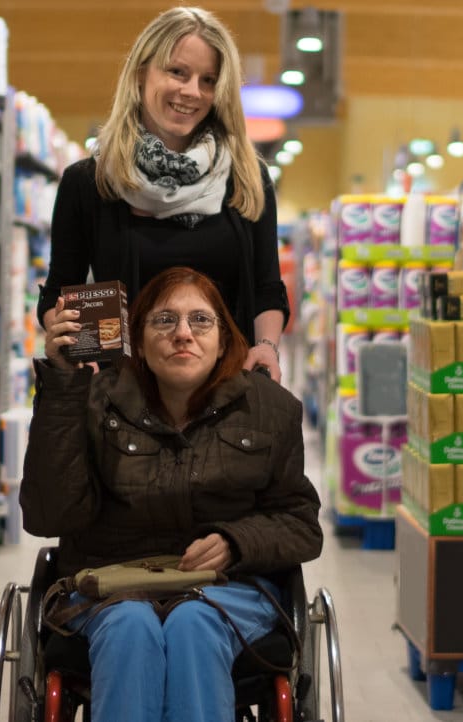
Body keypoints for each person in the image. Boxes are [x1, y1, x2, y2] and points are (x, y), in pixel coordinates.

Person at [23, 266, 322, 722]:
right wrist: (62, 386)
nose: (183, 333)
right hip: (112, 588)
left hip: (229, 588)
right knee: (130, 625)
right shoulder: (92, 401)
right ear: (137, 341)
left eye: (200, 321)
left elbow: (300, 523)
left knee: (193, 622)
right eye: (164, 321)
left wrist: (236, 542)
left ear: (224, 339)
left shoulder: (270, 410)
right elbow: (48, 517)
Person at [37, 6, 290, 381]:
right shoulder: (90, 182)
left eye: (208, 80)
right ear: (141, 74)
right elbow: (61, 290)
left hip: (227, 400)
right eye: (177, 72)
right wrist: (62, 331)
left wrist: (267, 347)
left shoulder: (247, 179)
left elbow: (267, 288)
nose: (192, 92)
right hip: (123, 405)